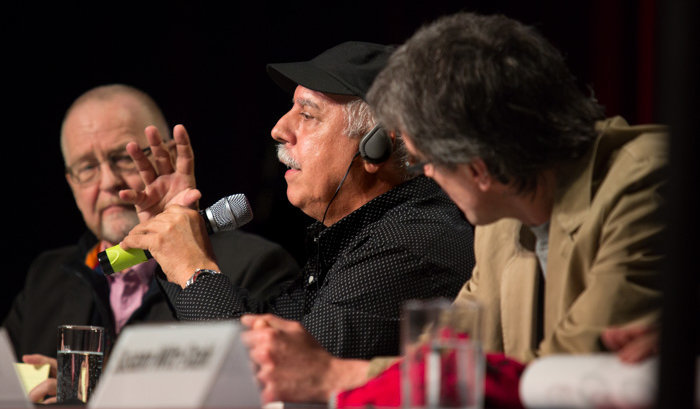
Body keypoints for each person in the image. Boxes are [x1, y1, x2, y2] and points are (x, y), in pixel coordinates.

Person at [239, 12, 668, 407]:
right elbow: (449, 363)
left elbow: (574, 375)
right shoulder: (499, 222)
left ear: (477, 164)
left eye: (429, 163)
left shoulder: (647, 182)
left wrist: (335, 374)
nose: (429, 177)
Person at [118, 42, 475, 362]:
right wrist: (172, 244)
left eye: (307, 115)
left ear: (375, 145)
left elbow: (275, 371)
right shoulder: (361, 235)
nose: (278, 129)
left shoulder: (412, 243)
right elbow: (268, 327)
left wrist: (194, 271)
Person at [1, 84, 300, 403]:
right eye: (88, 167)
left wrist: (96, 393)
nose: (108, 182)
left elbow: (261, 391)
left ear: (168, 156)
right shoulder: (47, 277)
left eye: (123, 158)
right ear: (71, 183)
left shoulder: (253, 264)